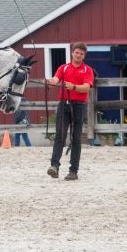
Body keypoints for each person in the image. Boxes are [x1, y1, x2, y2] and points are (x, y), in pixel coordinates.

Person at [45, 43, 94, 181]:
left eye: (81, 54)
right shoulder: (63, 67)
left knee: (75, 138)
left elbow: (86, 87)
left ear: (84, 56)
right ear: (72, 53)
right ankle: (54, 166)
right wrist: (49, 81)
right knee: (59, 135)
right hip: (63, 104)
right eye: (76, 52)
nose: (78, 55)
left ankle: (73, 170)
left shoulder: (87, 70)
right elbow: (56, 79)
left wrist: (73, 87)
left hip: (79, 106)